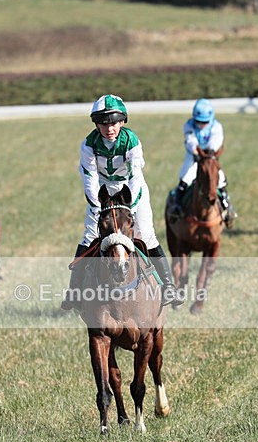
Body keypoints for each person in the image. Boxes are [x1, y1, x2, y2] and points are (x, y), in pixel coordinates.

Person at [61, 94, 177, 310]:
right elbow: (89, 177)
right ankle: (74, 291)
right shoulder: (88, 144)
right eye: (103, 123)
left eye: (113, 122)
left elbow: (135, 176)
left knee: (146, 234)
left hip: (131, 191)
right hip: (102, 192)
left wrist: (129, 207)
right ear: (96, 123)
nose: (109, 128)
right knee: (89, 235)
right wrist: (97, 205)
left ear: (122, 121)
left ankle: (168, 286)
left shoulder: (131, 141)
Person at [172, 98, 236, 228]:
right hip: (193, 157)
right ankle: (176, 207)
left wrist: (206, 155)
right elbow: (190, 140)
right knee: (185, 178)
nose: (201, 125)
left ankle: (226, 207)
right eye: (199, 121)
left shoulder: (217, 127)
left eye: (205, 122)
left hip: (209, 158)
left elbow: (215, 143)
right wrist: (195, 151)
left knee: (220, 180)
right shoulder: (188, 125)